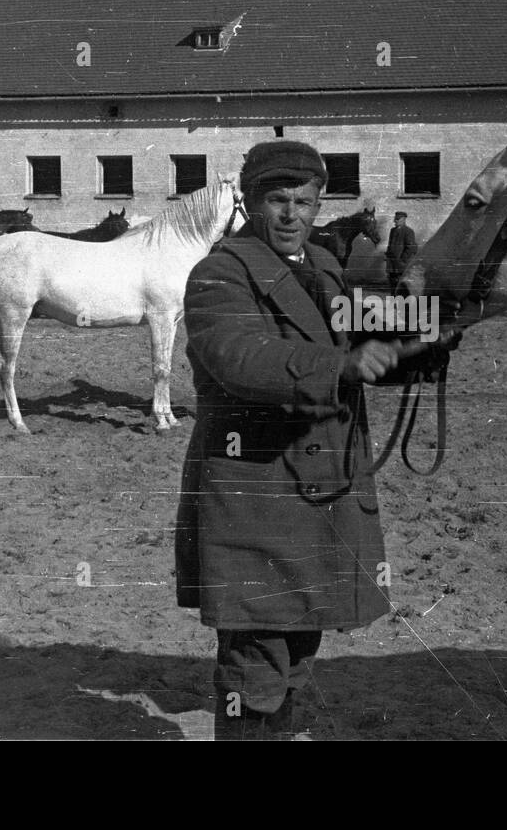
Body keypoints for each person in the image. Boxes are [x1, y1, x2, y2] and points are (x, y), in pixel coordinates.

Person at [175, 140, 450, 741]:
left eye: (304, 201)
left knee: (297, 653)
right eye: (277, 200)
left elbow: (365, 338)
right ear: (250, 203)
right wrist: (341, 368)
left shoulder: (323, 269)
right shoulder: (220, 273)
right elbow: (240, 358)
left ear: (320, 203)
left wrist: (426, 341)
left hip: (318, 496)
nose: (292, 215)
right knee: (256, 668)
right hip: (256, 503)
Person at [386, 210, 417, 292]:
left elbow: (411, 248)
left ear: (403, 219)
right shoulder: (393, 230)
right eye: (395, 219)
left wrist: (402, 260)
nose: (394, 221)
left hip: (401, 265)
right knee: (392, 286)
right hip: (391, 265)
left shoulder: (408, 231)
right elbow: (390, 245)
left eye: (397, 219)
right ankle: (393, 303)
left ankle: (401, 304)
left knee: (400, 287)